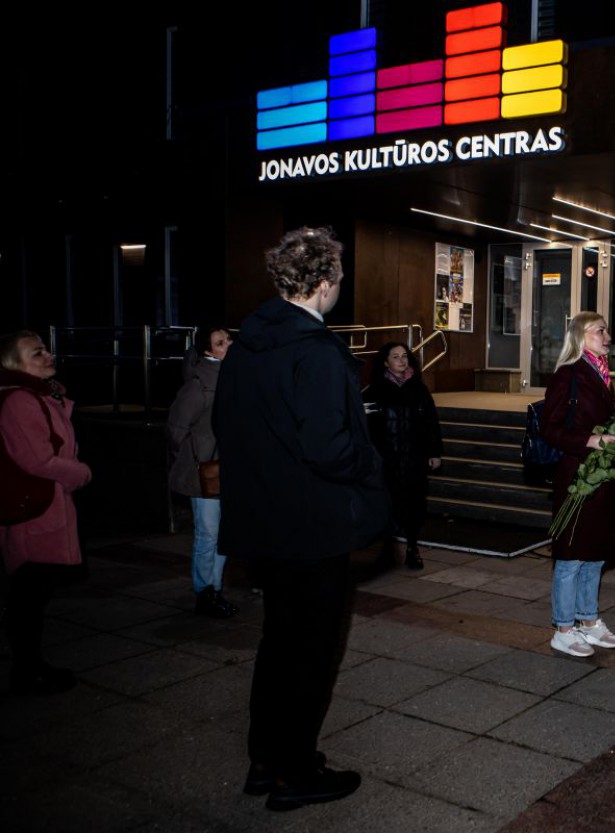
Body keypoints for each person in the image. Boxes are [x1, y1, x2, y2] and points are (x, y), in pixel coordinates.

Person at [213, 227, 389, 812]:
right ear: (323, 283)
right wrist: (370, 464)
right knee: (311, 652)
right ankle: (293, 774)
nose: (339, 286)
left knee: (279, 643)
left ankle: (267, 758)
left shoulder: (247, 345)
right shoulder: (315, 350)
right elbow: (328, 446)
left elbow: (225, 425)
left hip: (264, 520)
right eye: (338, 277)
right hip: (313, 524)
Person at [0, 330, 92, 694]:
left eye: (45, 349)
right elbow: (38, 460)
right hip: (36, 510)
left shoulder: (42, 396)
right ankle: (27, 671)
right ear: (14, 364)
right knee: (29, 596)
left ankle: (30, 666)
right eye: (36, 353)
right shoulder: (21, 401)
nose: (47, 355)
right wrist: (81, 473)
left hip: (46, 505)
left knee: (33, 595)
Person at [539, 311, 615, 658]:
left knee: (595, 553)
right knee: (572, 555)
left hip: (601, 478)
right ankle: (563, 628)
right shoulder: (568, 374)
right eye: (600, 331)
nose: (607, 337)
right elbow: (549, 428)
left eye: (607, 330)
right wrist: (588, 441)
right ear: (580, 336)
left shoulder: (603, 375)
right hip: (576, 475)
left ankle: (588, 621)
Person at [167, 325, 237, 618]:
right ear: (208, 351)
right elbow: (176, 429)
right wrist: (195, 456)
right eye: (220, 343)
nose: (228, 345)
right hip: (206, 469)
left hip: (230, 467)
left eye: (229, 339)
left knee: (222, 533)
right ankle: (205, 591)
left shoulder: (235, 377)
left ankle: (215, 588)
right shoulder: (199, 384)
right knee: (209, 533)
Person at [362, 342, 443, 571]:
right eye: (395, 356)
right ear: (386, 362)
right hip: (386, 460)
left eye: (404, 356)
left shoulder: (419, 390)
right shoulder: (373, 391)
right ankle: (387, 549)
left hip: (414, 458)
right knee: (388, 505)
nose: (401, 360)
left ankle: (412, 548)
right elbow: (366, 428)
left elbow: (431, 422)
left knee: (414, 504)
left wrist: (435, 452)